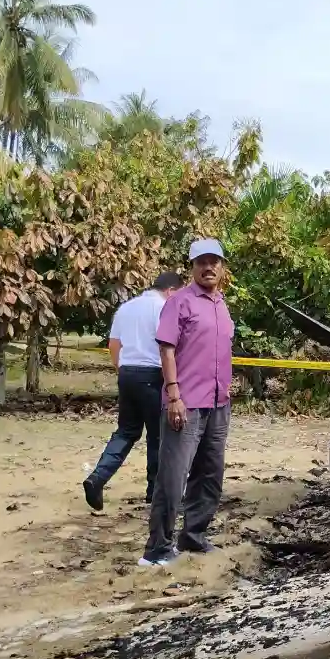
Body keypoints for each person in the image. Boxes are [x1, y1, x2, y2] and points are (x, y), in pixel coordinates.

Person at [140, 239, 234, 567]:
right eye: (201, 262)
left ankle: (192, 537)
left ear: (222, 267)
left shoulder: (221, 304)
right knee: (173, 477)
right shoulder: (179, 302)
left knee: (210, 475)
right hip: (186, 403)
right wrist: (174, 395)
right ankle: (157, 549)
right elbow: (166, 350)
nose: (208, 267)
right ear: (192, 267)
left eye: (214, 262)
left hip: (218, 403)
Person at [82, 270, 185, 511]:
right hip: (153, 374)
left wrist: (123, 370)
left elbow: (114, 344)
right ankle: (154, 492)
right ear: (171, 291)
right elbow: (170, 347)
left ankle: (97, 478)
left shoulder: (126, 308)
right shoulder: (165, 309)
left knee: (126, 432)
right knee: (158, 435)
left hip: (128, 373)